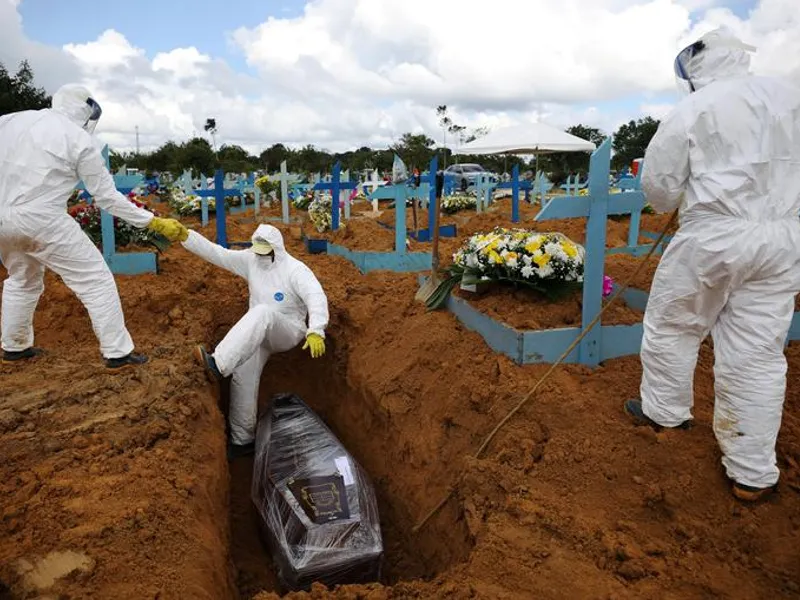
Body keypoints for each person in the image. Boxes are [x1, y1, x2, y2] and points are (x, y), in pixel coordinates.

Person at [624, 27, 800, 502]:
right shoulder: (791, 97)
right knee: (759, 353)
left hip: (714, 236)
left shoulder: (693, 109)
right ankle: (751, 473)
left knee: (673, 325)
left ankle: (664, 413)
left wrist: (686, 195)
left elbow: (659, 191)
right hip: (782, 240)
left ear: (696, 69)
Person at [0, 83, 188, 368]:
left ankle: (14, 346)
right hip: (43, 218)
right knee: (95, 280)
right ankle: (117, 352)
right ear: (85, 109)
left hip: (3, 218)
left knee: (21, 279)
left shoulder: (12, 120)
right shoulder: (78, 139)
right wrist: (151, 220)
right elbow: (107, 197)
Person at [186, 224, 329, 459]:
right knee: (243, 377)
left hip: (286, 330)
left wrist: (316, 329)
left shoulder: (295, 270)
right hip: (256, 334)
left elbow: (316, 296)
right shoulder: (250, 260)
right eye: (257, 250)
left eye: (265, 251)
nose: (260, 255)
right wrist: (186, 237)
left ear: (277, 249)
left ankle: (219, 364)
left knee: (263, 312)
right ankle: (243, 441)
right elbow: (217, 253)